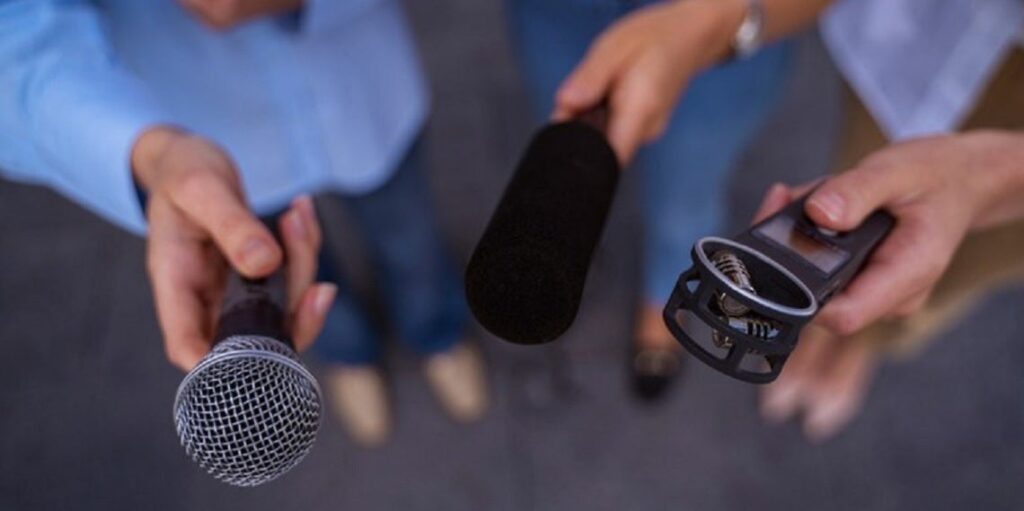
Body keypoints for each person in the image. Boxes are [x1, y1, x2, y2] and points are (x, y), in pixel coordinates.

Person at [0, 0, 486, 447]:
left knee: (409, 238)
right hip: (212, 128)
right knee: (292, 277)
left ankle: (437, 334)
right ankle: (347, 355)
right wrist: (152, 152)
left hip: (361, 83)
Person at [506, 0, 829, 400]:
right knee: (565, 162)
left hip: (715, 22)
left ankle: (663, 299)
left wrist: (711, 25)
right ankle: (578, 253)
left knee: (684, 199)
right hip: (555, 12)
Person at [756, 0, 1024, 441]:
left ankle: (866, 343)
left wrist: (987, 177)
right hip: (935, 26)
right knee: (856, 193)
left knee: (954, 266)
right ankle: (821, 329)